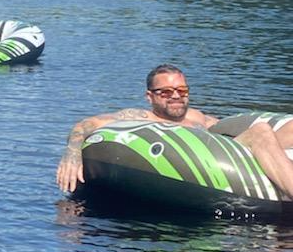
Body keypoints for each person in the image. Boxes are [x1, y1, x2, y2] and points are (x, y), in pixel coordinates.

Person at [56, 64, 293, 198]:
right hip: (207, 166)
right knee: (261, 131)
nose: (176, 96)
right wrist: (72, 153)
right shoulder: (140, 117)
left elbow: (227, 135)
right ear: (149, 96)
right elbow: (86, 124)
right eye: (166, 92)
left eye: (182, 90)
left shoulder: (200, 118)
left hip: (233, 157)